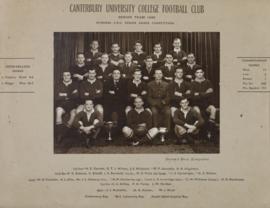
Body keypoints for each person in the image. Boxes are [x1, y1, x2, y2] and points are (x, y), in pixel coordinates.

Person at [55, 71, 79, 143]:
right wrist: (70, 95)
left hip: (72, 105)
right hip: (62, 105)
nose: (66, 77)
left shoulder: (75, 84)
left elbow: (77, 96)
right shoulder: (58, 85)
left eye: (68, 75)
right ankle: (60, 134)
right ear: (62, 76)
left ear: (70, 76)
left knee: (73, 114)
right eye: (64, 75)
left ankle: (63, 133)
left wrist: (63, 95)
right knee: (58, 111)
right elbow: (56, 97)